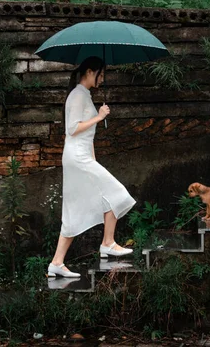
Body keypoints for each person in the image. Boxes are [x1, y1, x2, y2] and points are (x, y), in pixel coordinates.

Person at [47, 56, 136, 278]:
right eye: (101, 74)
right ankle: (107, 243)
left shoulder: (83, 95)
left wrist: (94, 160)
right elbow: (73, 129)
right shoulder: (77, 95)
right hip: (77, 157)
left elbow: (88, 137)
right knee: (116, 193)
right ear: (89, 72)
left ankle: (57, 263)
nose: (102, 79)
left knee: (80, 206)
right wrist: (99, 117)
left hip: (82, 156)